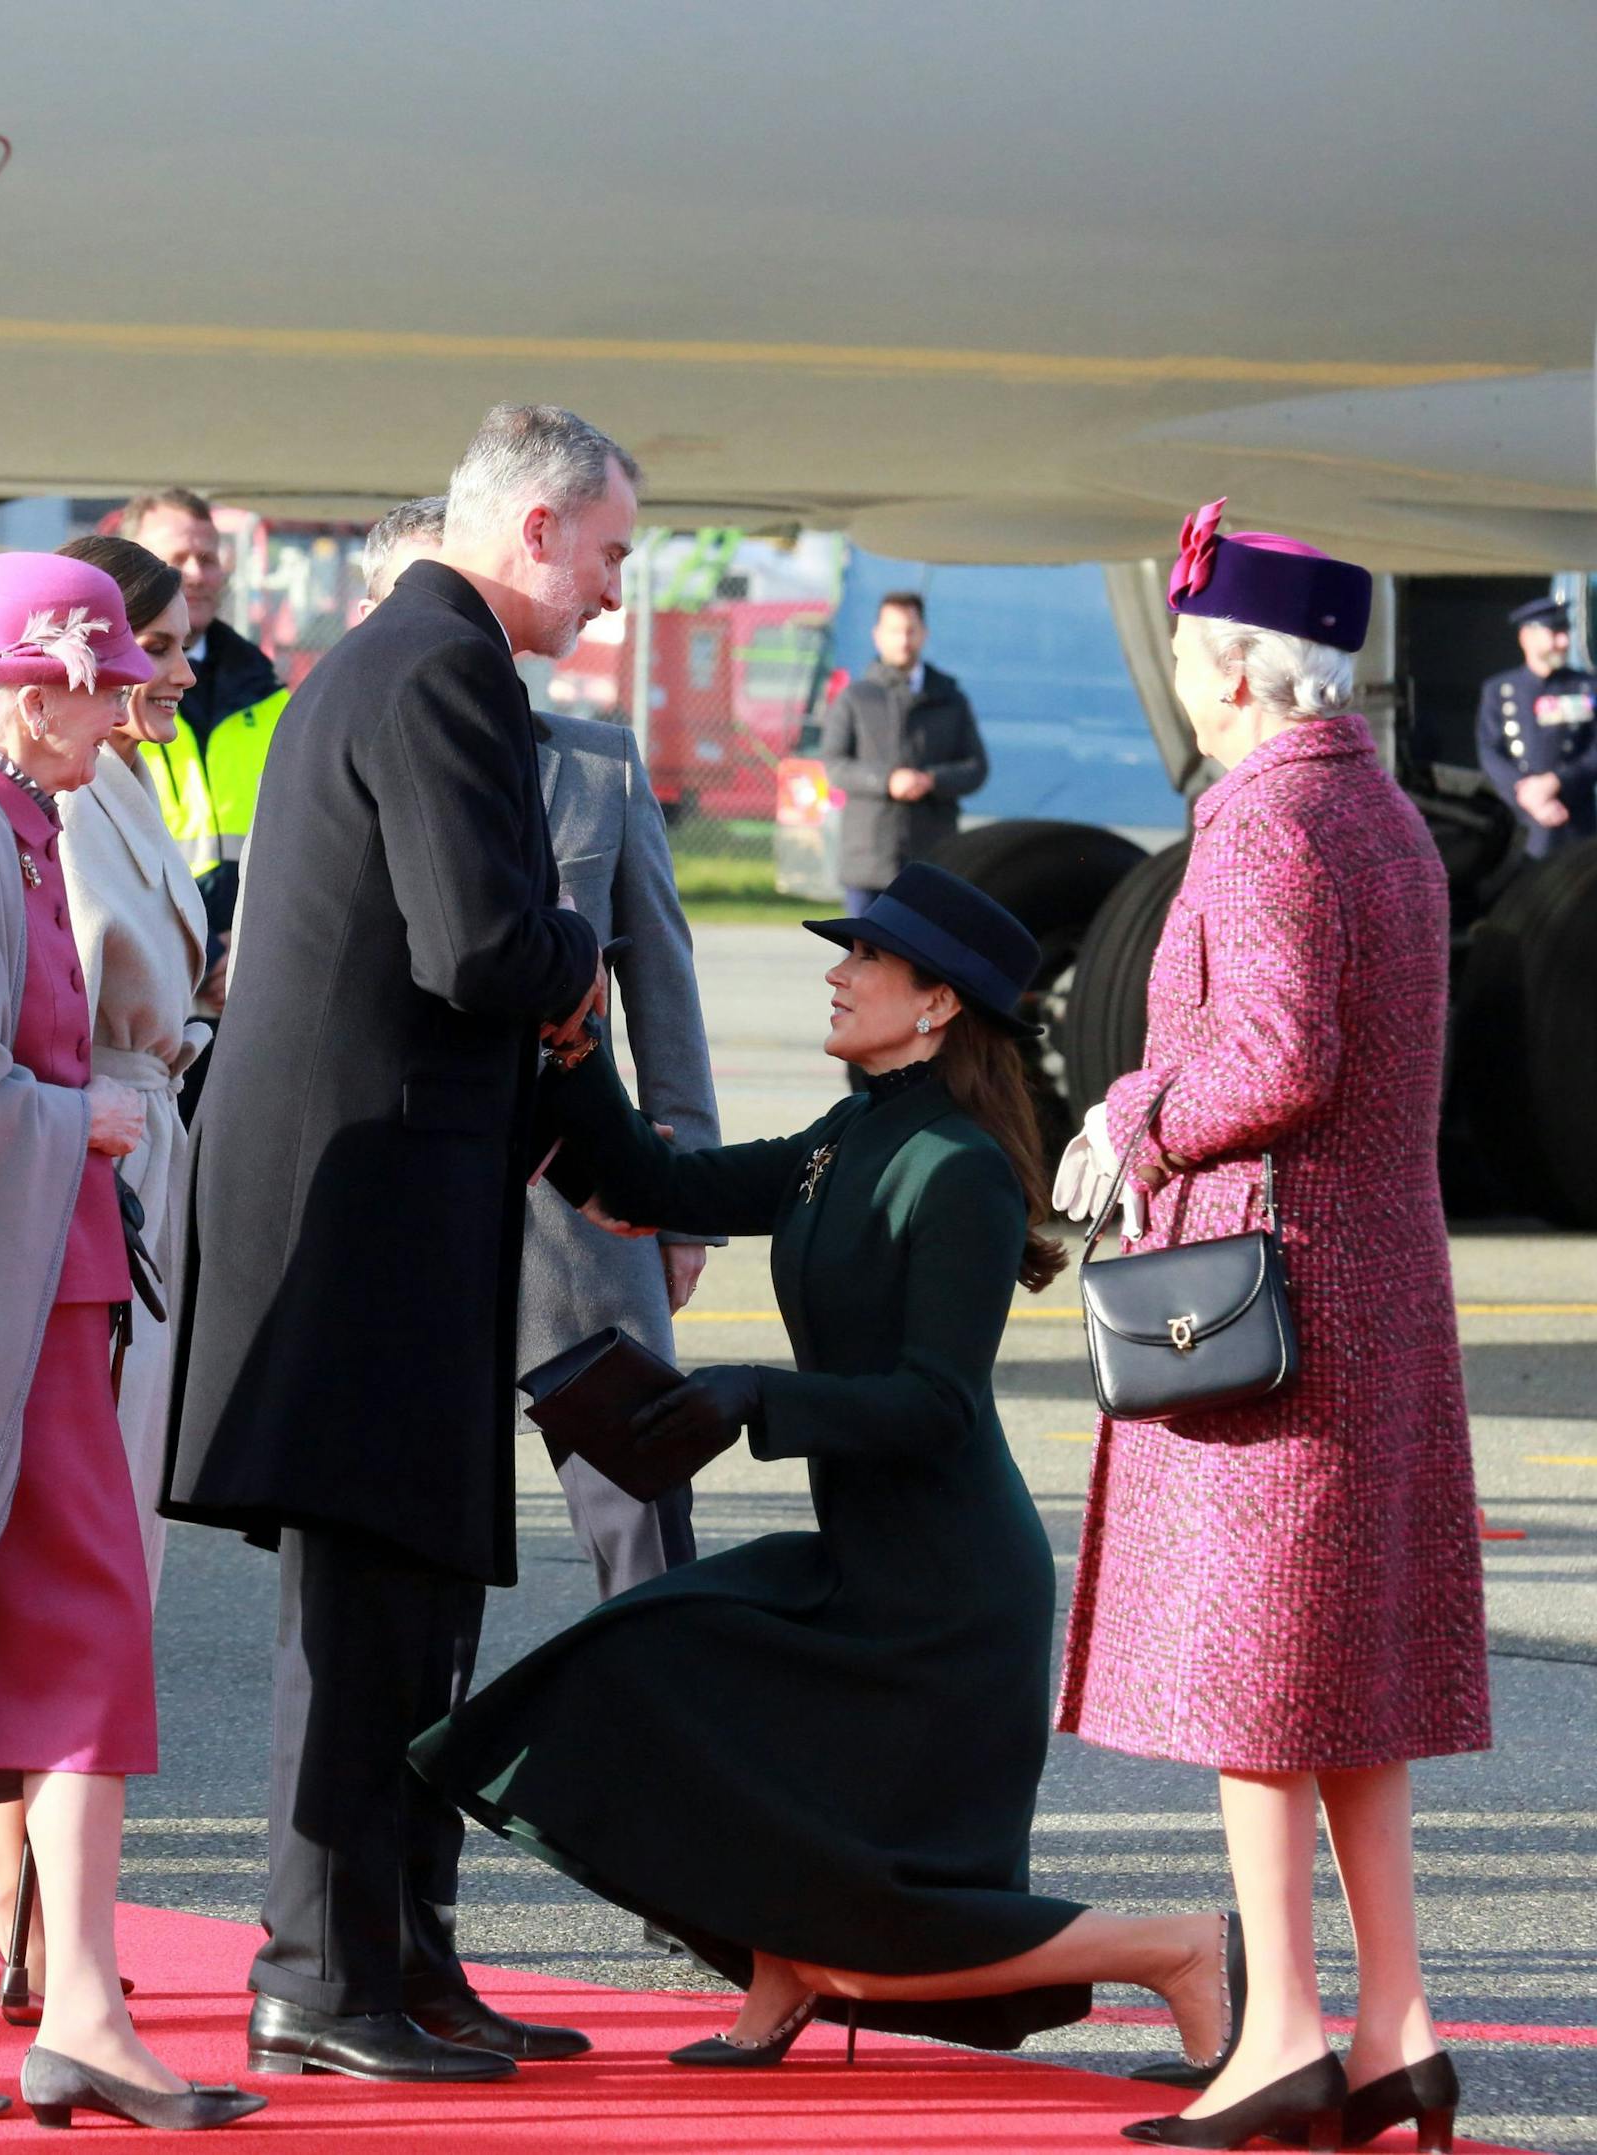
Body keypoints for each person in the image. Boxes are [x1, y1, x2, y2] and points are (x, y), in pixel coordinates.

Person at [412, 863, 1242, 2081]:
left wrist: (758, 1392)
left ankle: (1176, 1947)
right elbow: (653, 1185)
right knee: (635, 1665)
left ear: (938, 1004)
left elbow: (933, 1406)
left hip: (941, 1597)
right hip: (862, 1560)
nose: (836, 971)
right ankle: (786, 1963)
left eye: (865, 956)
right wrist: (579, 1053)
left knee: (895, 1910)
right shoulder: (850, 1134)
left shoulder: (952, 1166)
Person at [162, 405, 627, 2085]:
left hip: (387, 1203)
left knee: (417, 1605)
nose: (612, 597)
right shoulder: (439, 670)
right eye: (607, 557)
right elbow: (482, 945)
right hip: (362, 1221)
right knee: (367, 1616)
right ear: (533, 531)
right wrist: (580, 951)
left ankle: (406, 1957)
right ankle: (317, 1976)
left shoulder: (406, 656)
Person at [1053, 501, 1490, 2150]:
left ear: (1242, 672)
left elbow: (1280, 1057)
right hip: (1375, 1289)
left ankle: (1285, 2037)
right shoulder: (1387, 820)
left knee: (1260, 1692)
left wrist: (1137, 1106)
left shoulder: (1258, 826)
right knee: (1349, 1693)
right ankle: (1395, 2022)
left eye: (1186, 657)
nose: (1181, 683)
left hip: (1270, 1299)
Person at [0, 552, 262, 2131]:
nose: (132, 709)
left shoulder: (24, 825)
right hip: (22, 1275)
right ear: (28, 692)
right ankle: (77, 2000)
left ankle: (81, 1999)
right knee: (79, 1630)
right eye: (103, 684)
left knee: (86, 1635)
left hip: (56, 1269)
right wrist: (75, 1108)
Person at [362, 495, 720, 1598]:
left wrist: (683, 1186)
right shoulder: (339, 758)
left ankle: (656, 1737)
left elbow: (661, 980)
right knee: (414, 1542)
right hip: (414, 1203)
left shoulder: (597, 766)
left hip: (583, 1214)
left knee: (641, 1522)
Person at [56, 534, 211, 1599]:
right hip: (94, 1149)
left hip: (150, 1137)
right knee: (94, 1453)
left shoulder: (128, 783)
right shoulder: (63, 797)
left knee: (131, 1451)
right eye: (158, 646)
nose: (183, 674)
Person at [118, 488, 287, 1067]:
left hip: (250, 995)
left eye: (208, 558)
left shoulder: (274, 697)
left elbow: (300, 847)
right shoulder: (99, 701)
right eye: (176, 559)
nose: (195, 574)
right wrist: (195, 956)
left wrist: (250, 951)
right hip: (142, 996)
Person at [819, 591, 987, 915]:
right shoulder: (856, 698)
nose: (903, 640)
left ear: (924, 633)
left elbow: (976, 767)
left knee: (926, 957)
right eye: (894, 630)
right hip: (868, 857)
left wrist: (931, 780)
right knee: (865, 956)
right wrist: (887, 781)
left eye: (910, 630)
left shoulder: (949, 698)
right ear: (877, 635)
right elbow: (834, 764)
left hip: (932, 855)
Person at [1475, 595, 1597, 859]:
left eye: (1564, 632)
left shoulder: (1586, 686)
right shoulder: (1499, 689)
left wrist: (1556, 782)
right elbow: (1489, 752)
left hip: (1575, 819)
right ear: (1526, 638)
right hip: (1523, 820)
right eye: (1554, 633)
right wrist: (1529, 795)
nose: (1563, 642)